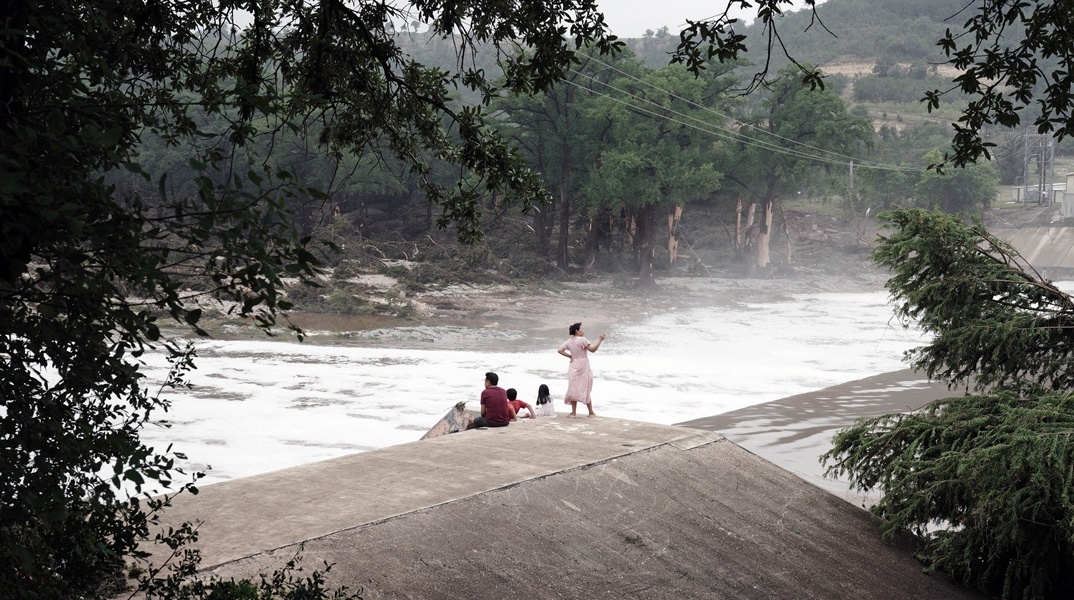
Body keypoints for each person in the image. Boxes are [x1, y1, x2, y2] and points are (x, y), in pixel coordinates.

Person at [557, 322, 606, 417]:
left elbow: (560, 350)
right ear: (577, 331)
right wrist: (600, 339)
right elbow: (592, 349)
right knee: (586, 387)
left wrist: (570, 356)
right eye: (582, 329)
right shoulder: (582, 340)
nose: (583, 330)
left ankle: (573, 413)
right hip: (583, 365)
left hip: (573, 365)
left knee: (573, 388)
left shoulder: (569, 341)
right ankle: (590, 412)